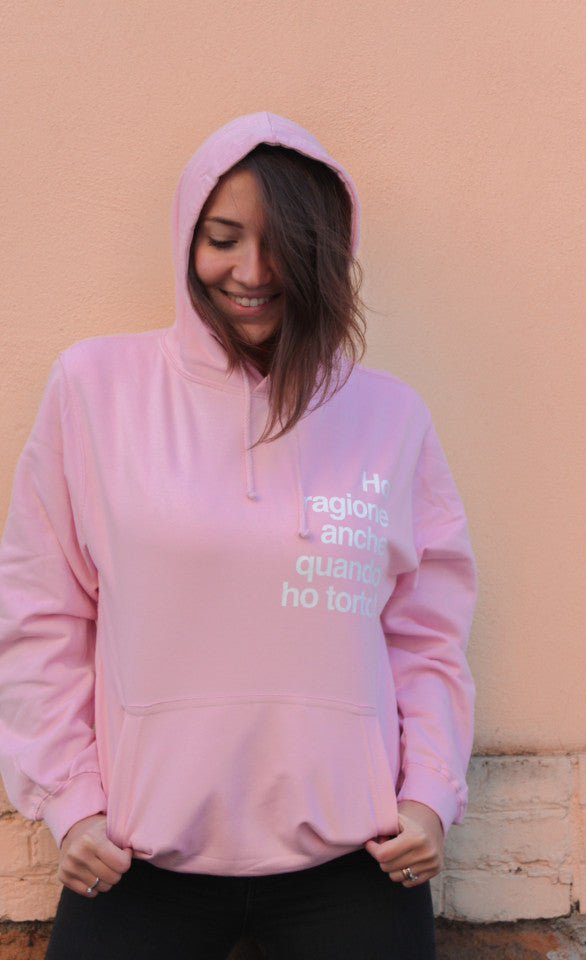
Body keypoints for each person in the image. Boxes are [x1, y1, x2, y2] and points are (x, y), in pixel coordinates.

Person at [0, 112, 476, 959]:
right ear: (187, 238)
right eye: (222, 239)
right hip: (134, 859)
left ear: (322, 252)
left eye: (279, 245)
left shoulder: (389, 414)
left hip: (357, 859)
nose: (251, 272)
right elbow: (42, 614)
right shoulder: (94, 389)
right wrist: (68, 802)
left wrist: (429, 794)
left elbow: (425, 634)